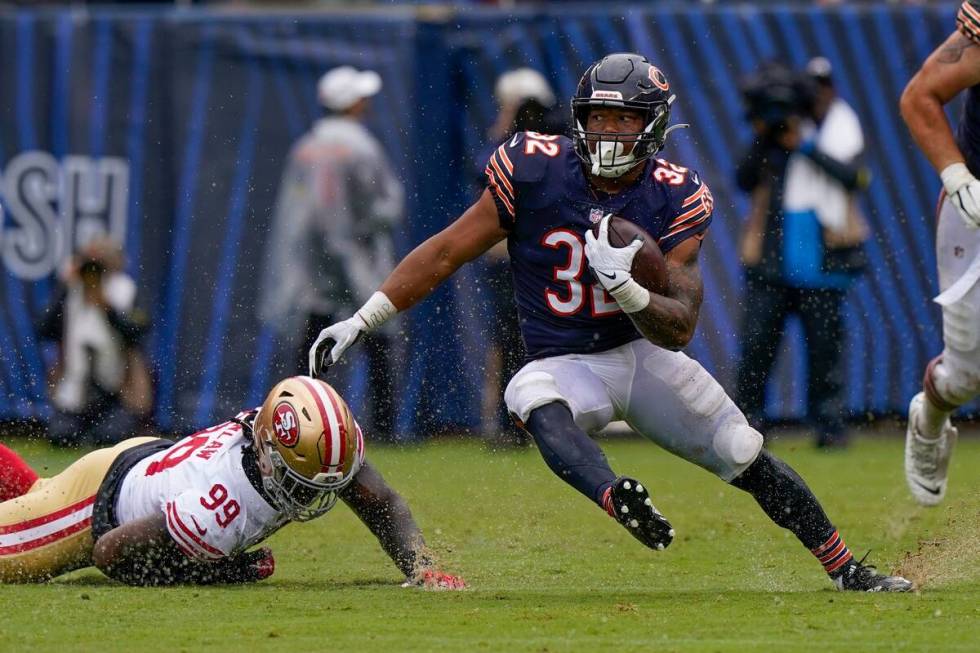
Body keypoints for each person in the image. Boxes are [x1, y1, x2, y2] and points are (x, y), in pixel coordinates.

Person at [309, 53, 911, 592]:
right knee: (531, 392)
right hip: (565, 361)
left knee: (741, 449)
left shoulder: (675, 194)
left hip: (642, 355)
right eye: (599, 116)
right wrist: (363, 319)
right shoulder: (533, 167)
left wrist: (626, 288)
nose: (609, 130)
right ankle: (613, 496)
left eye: (625, 119)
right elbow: (445, 251)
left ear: (652, 125)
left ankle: (846, 566)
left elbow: (680, 327)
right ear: (579, 117)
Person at [0, 376, 464, 588]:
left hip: (144, 461)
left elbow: (379, 501)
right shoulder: (221, 513)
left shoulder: (317, 449)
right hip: (94, 509)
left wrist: (421, 567)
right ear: (266, 453)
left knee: (37, 494)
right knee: (31, 521)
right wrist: (224, 571)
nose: (315, 495)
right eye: (302, 484)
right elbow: (110, 553)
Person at [258, 65, 404, 439]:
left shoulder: (306, 147)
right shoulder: (361, 146)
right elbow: (386, 207)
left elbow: (297, 215)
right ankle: (385, 428)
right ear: (353, 104)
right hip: (358, 259)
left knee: (312, 342)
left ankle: (296, 419)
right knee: (376, 334)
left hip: (313, 267)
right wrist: (359, 233)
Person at [734, 61, 868, 449]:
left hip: (824, 263)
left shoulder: (838, 128)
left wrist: (804, 145)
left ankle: (829, 427)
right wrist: (764, 135)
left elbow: (852, 177)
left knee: (826, 349)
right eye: (814, 86)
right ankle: (748, 426)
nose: (820, 94)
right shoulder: (771, 136)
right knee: (757, 346)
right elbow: (743, 179)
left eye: (825, 86)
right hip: (770, 263)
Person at [898, 0, 980, 506]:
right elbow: (920, 96)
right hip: (976, 206)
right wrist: (956, 175)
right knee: (966, 376)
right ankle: (930, 412)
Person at [473, 68, 566, 444]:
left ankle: (542, 419)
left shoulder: (556, 141)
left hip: (540, 255)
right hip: (508, 256)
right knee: (506, 338)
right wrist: (505, 128)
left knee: (540, 340)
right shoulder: (503, 148)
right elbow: (482, 170)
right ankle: (504, 419)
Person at [36, 238, 154, 446]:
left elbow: (139, 331)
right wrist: (64, 286)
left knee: (109, 436)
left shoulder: (126, 289)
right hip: (75, 389)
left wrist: (108, 308)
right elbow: (44, 330)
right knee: (62, 436)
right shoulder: (71, 290)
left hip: (116, 391)